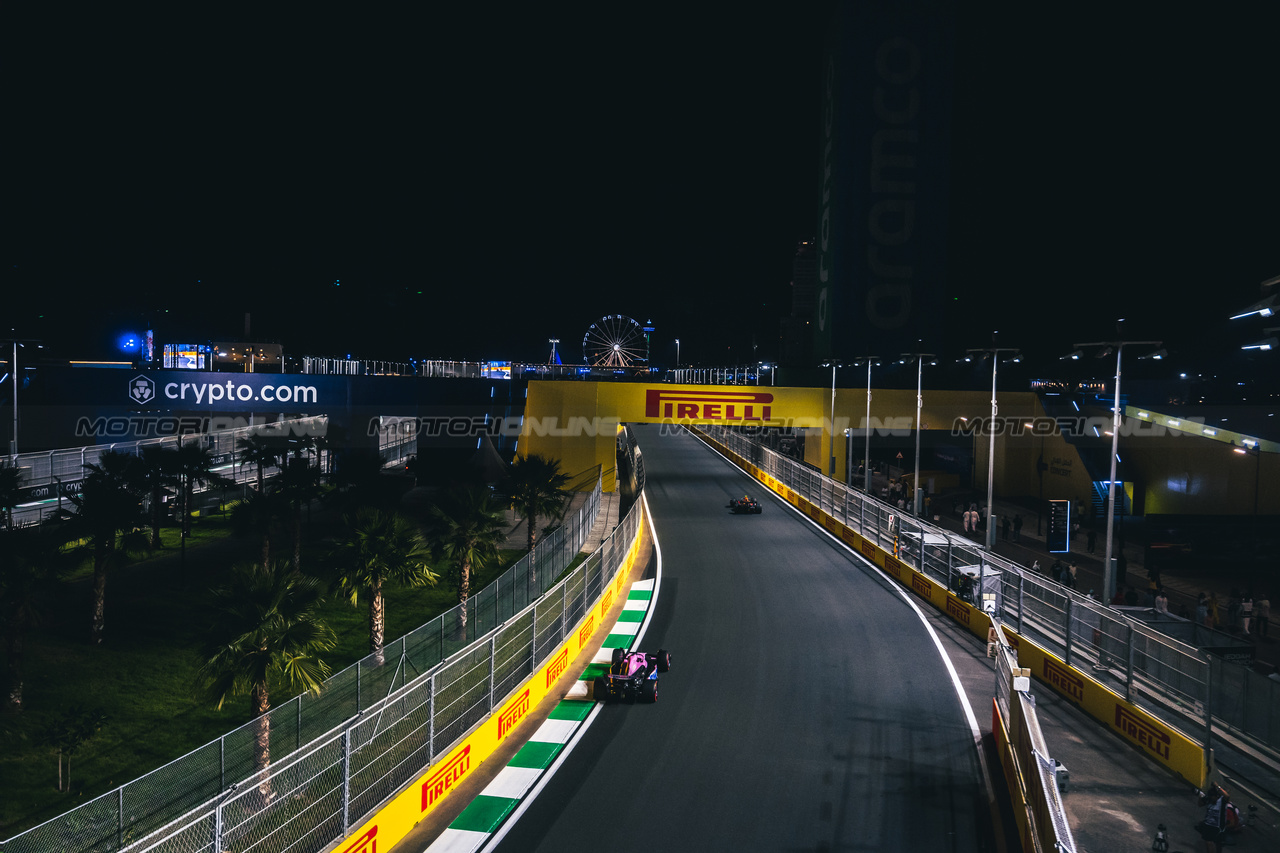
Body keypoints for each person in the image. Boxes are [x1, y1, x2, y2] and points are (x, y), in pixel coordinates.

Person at [1195, 784, 1229, 852]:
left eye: (1212, 796)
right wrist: (1200, 797)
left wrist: (1218, 787)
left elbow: (1227, 796)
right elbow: (1200, 804)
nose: (1211, 798)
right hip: (1208, 825)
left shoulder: (1222, 801)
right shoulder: (1209, 800)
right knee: (1208, 842)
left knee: (1218, 843)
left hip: (1218, 826)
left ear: (1217, 796)